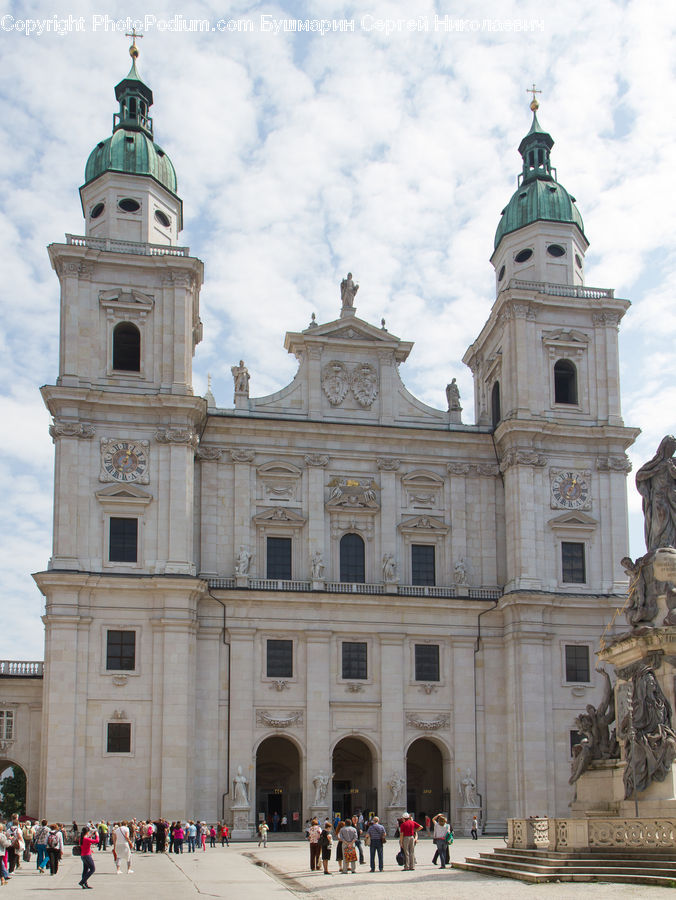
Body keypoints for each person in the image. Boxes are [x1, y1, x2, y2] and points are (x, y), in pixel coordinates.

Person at [79, 824, 99, 889]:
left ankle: (85, 884)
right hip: (87, 855)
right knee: (92, 869)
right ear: (87, 832)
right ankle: (82, 881)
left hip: (83, 855)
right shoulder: (86, 839)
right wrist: (97, 835)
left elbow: (87, 842)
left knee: (85, 870)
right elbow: (97, 841)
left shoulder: (82, 839)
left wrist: (91, 835)